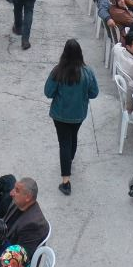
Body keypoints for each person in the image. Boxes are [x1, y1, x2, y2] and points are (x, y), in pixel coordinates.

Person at [43, 39, 99, 196]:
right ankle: (70, 159)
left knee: (64, 143)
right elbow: (94, 93)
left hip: (60, 115)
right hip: (79, 114)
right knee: (73, 136)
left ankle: (66, 181)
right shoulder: (87, 72)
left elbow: (48, 92)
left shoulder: (58, 72)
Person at [2, 178, 49, 254]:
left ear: (28, 197)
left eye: (17, 191)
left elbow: (18, 255)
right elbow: (3, 223)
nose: (11, 193)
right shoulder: (18, 204)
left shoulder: (32, 225)